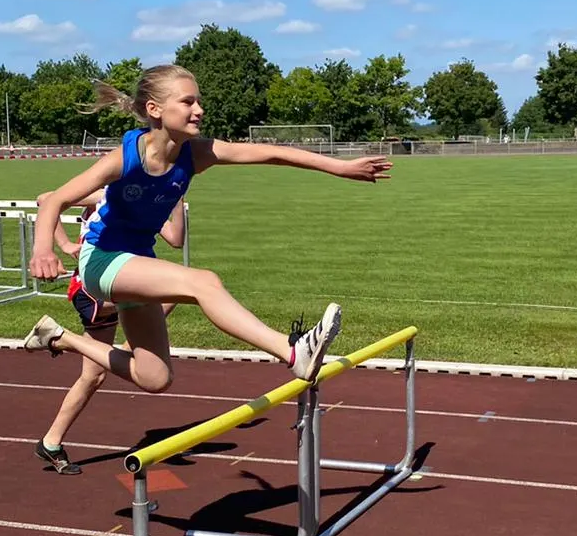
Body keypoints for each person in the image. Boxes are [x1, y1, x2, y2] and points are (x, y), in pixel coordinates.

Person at [21, 64, 390, 399]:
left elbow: (272, 153)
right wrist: (43, 250)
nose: (199, 110)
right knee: (204, 282)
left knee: (155, 377)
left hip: (138, 263)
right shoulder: (125, 158)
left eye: (198, 101)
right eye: (187, 102)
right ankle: (293, 351)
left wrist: (340, 168)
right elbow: (54, 200)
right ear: (155, 109)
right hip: (102, 259)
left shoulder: (197, 154)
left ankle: (60, 337)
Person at [33, 188, 186, 475]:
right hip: (93, 289)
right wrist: (64, 244)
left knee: (93, 376)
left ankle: (50, 443)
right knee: (172, 289)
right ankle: (63, 338)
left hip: (121, 286)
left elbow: (176, 239)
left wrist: (178, 198)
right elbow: (46, 199)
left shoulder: (147, 200)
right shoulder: (107, 193)